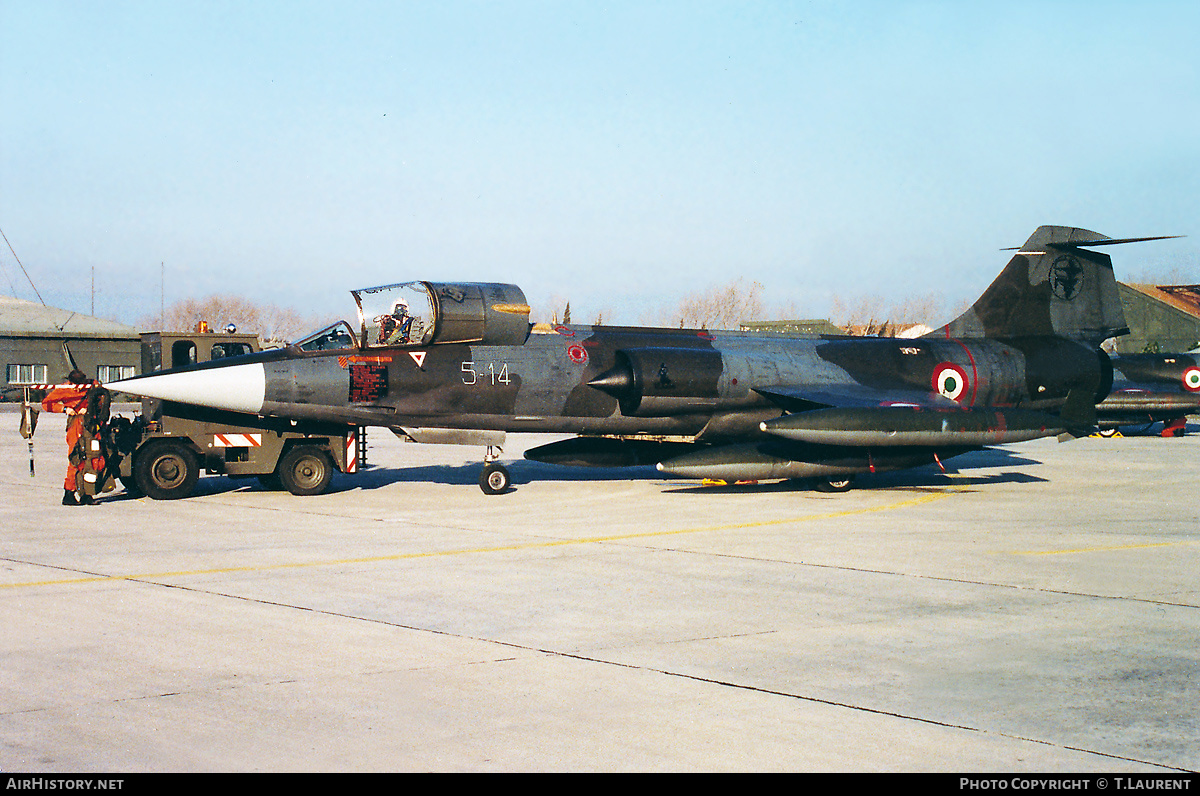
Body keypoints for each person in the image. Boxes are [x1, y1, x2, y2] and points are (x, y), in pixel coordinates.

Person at [40, 370, 112, 506]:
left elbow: (103, 401)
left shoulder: (93, 386)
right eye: (76, 385)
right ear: (70, 382)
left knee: (95, 458)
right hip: (75, 425)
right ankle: (69, 493)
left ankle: (88, 493)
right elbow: (46, 404)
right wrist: (64, 409)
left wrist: (91, 409)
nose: (79, 387)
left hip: (93, 425)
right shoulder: (64, 389)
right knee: (76, 457)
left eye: (81, 384)